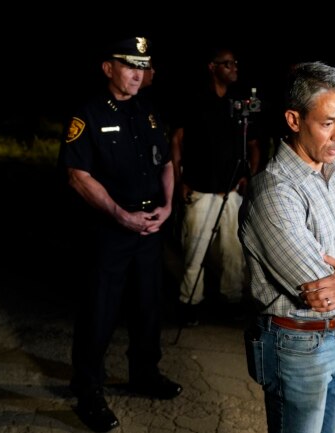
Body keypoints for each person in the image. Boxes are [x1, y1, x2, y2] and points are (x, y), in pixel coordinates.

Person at [238, 61, 335, 433]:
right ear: (294, 120)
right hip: (295, 344)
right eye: (327, 123)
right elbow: (320, 290)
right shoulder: (274, 192)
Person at [58, 36, 182, 432]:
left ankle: (144, 373)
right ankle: (88, 388)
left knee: (148, 305)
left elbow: (165, 161)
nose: (137, 72)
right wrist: (118, 214)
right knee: (100, 310)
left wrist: (168, 205)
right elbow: (78, 176)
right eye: (129, 64)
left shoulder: (147, 112)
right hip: (109, 232)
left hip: (150, 228)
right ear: (107, 68)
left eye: (142, 65)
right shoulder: (88, 114)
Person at [171, 47, 260, 325]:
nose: (234, 68)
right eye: (227, 64)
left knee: (233, 251)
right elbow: (176, 140)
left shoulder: (241, 102)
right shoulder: (195, 99)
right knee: (194, 250)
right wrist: (178, 181)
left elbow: (254, 144)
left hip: (231, 191)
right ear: (212, 67)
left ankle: (230, 300)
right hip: (199, 189)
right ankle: (189, 302)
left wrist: (249, 176)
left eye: (235, 63)